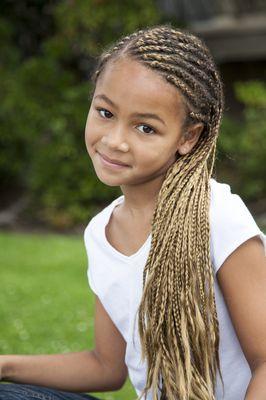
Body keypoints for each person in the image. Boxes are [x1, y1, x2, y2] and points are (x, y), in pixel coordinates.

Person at [0, 24, 266, 400]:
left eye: (145, 127)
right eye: (105, 112)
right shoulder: (100, 233)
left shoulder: (218, 217)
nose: (115, 141)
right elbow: (106, 367)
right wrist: (5, 365)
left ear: (188, 138)